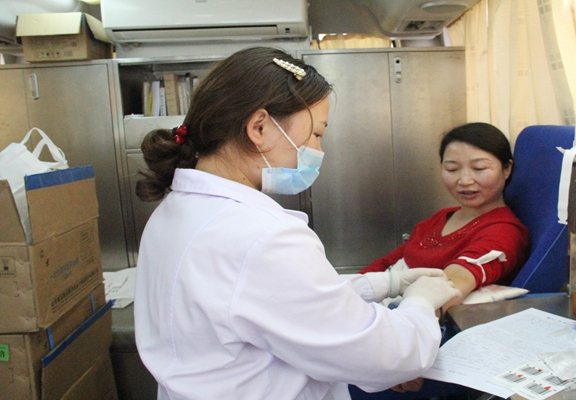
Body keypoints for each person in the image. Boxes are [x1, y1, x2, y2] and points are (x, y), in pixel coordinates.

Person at [133, 46, 462, 400]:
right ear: (259, 127)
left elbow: (269, 305)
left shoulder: (176, 210)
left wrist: (382, 284)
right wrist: (420, 303)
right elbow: (388, 356)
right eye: (317, 133)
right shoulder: (260, 236)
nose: (319, 150)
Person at [351, 122, 531, 399]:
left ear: (507, 169)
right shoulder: (440, 218)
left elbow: (450, 284)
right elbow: (388, 263)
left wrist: (409, 353)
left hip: (423, 339)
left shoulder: (504, 232)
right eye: (452, 168)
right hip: (387, 320)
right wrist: (345, 297)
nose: (465, 180)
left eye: (479, 168)